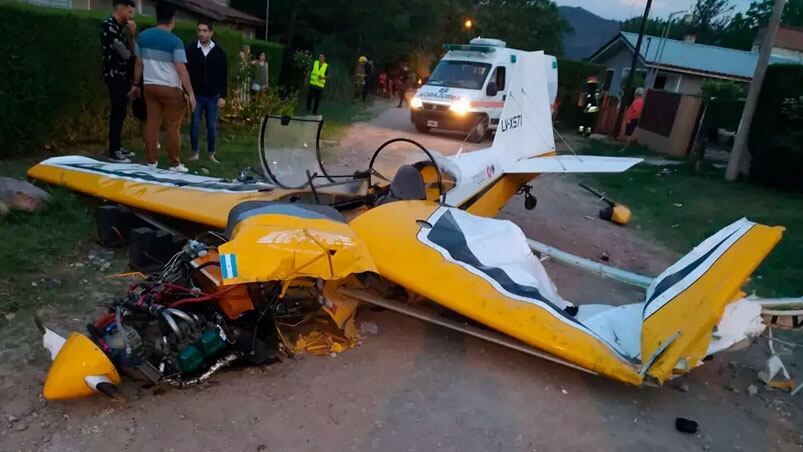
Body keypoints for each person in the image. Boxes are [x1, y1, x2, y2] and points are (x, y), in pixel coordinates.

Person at [129, 2, 195, 172]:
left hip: (150, 86)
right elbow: (181, 69)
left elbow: (138, 63)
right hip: (171, 88)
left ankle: (152, 161)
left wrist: (136, 84)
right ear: (172, 20)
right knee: (173, 126)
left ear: (157, 17)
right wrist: (190, 93)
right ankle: (175, 163)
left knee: (152, 123)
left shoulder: (143, 37)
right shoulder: (175, 41)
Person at [100, 0, 137, 162]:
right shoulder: (109, 26)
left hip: (123, 75)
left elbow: (132, 51)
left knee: (121, 112)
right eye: (129, 12)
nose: (131, 16)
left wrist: (132, 34)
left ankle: (117, 145)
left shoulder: (121, 28)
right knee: (117, 111)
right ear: (121, 9)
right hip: (114, 75)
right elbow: (126, 54)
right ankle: (113, 150)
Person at [186, 19, 227, 163]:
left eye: (204, 31)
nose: (201, 34)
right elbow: (186, 72)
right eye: (199, 30)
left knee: (211, 125)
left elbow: (223, 75)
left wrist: (222, 95)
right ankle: (195, 152)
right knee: (195, 125)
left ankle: (211, 153)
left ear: (211, 32)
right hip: (196, 94)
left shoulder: (219, 52)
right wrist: (187, 91)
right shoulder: (191, 49)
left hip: (212, 95)